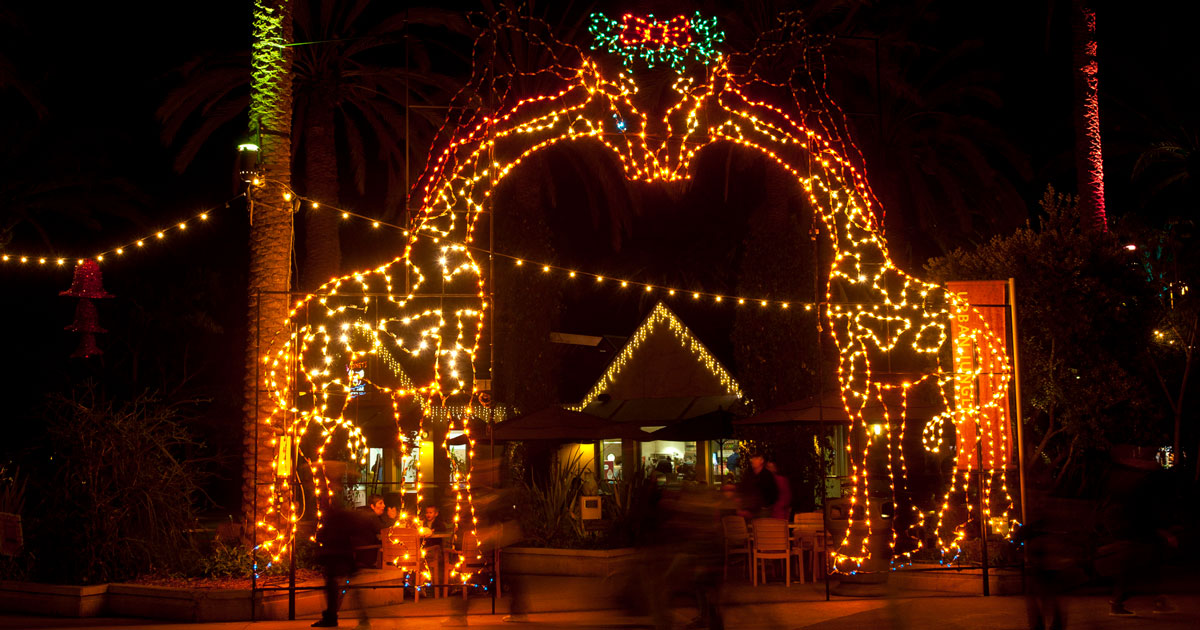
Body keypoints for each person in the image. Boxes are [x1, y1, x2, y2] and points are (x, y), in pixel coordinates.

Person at [312, 491, 379, 628]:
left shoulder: (334, 517)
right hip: (343, 555)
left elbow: (328, 535)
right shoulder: (341, 516)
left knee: (335, 587)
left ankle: (334, 617)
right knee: (347, 588)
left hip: (337, 555)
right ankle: (359, 618)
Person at [737, 452, 778, 519]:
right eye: (753, 459)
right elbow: (743, 488)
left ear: (761, 461)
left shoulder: (767, 475)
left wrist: (766, 505)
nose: (753, 461)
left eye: (756, 459)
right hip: (751, 509)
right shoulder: (749, 474)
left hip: (763, 510)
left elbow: (773, 492)